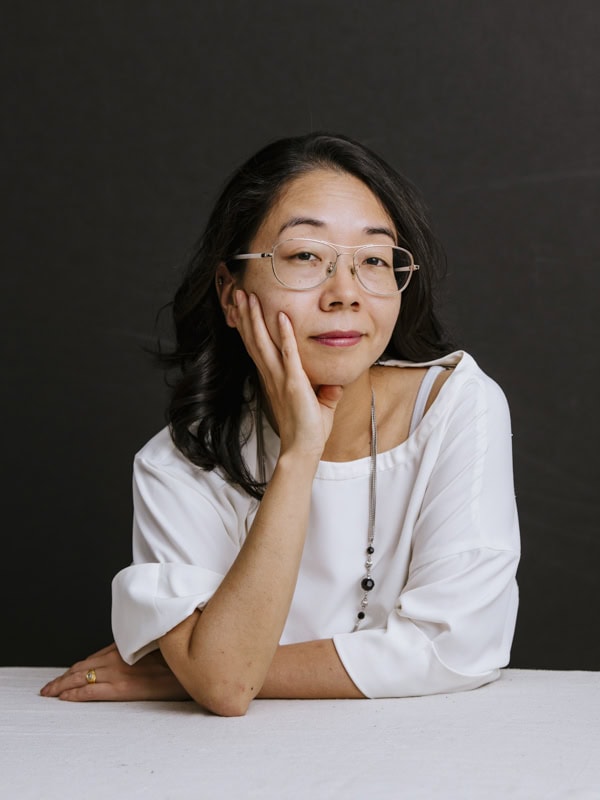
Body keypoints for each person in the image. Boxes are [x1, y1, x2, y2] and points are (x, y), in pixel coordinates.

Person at [41, 132, 520, 716]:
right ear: (230, 291)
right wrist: (299, 454)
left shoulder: (455, 407)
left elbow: (456, 649)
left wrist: (189, 672)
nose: (345, 293)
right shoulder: (178, 464)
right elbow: (224, 692)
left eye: (373, 260)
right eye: (304, 258)